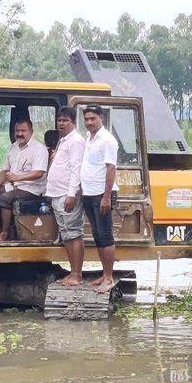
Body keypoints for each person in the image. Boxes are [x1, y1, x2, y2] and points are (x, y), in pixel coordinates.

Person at [80, 105, 120, 294]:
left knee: (105, 235)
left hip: (101, 194)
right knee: (96, 235)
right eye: (86, 119)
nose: (89, 122)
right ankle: (104, 274)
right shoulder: (89, 137)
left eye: (92, 119)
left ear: (101, 118)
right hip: (88, 192)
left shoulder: (107, 140)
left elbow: (110, 168)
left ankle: (109, 278)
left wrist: (106, 197)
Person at [44, 106, 85, 284]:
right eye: (59, 120)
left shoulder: (76, 141)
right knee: (66, 233)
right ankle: (72, 272)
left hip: (66, 195)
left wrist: (72, 194)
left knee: (74, 233)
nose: (61, 123)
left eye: (65, 120)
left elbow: (77, 169)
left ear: (73, 122)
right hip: (57, 194)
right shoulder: (63, 140)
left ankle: (77, 274)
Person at [0, 119, 48, 241]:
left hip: (32, 188)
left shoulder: (39, 149)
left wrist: (17, 178)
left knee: (5, 199)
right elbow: (6, 170)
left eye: (23, 130)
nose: (20, 133)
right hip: (14, 185)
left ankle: (5, 234)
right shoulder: (13, 147)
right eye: (17, 130)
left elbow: (38, 173)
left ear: (31, 131)